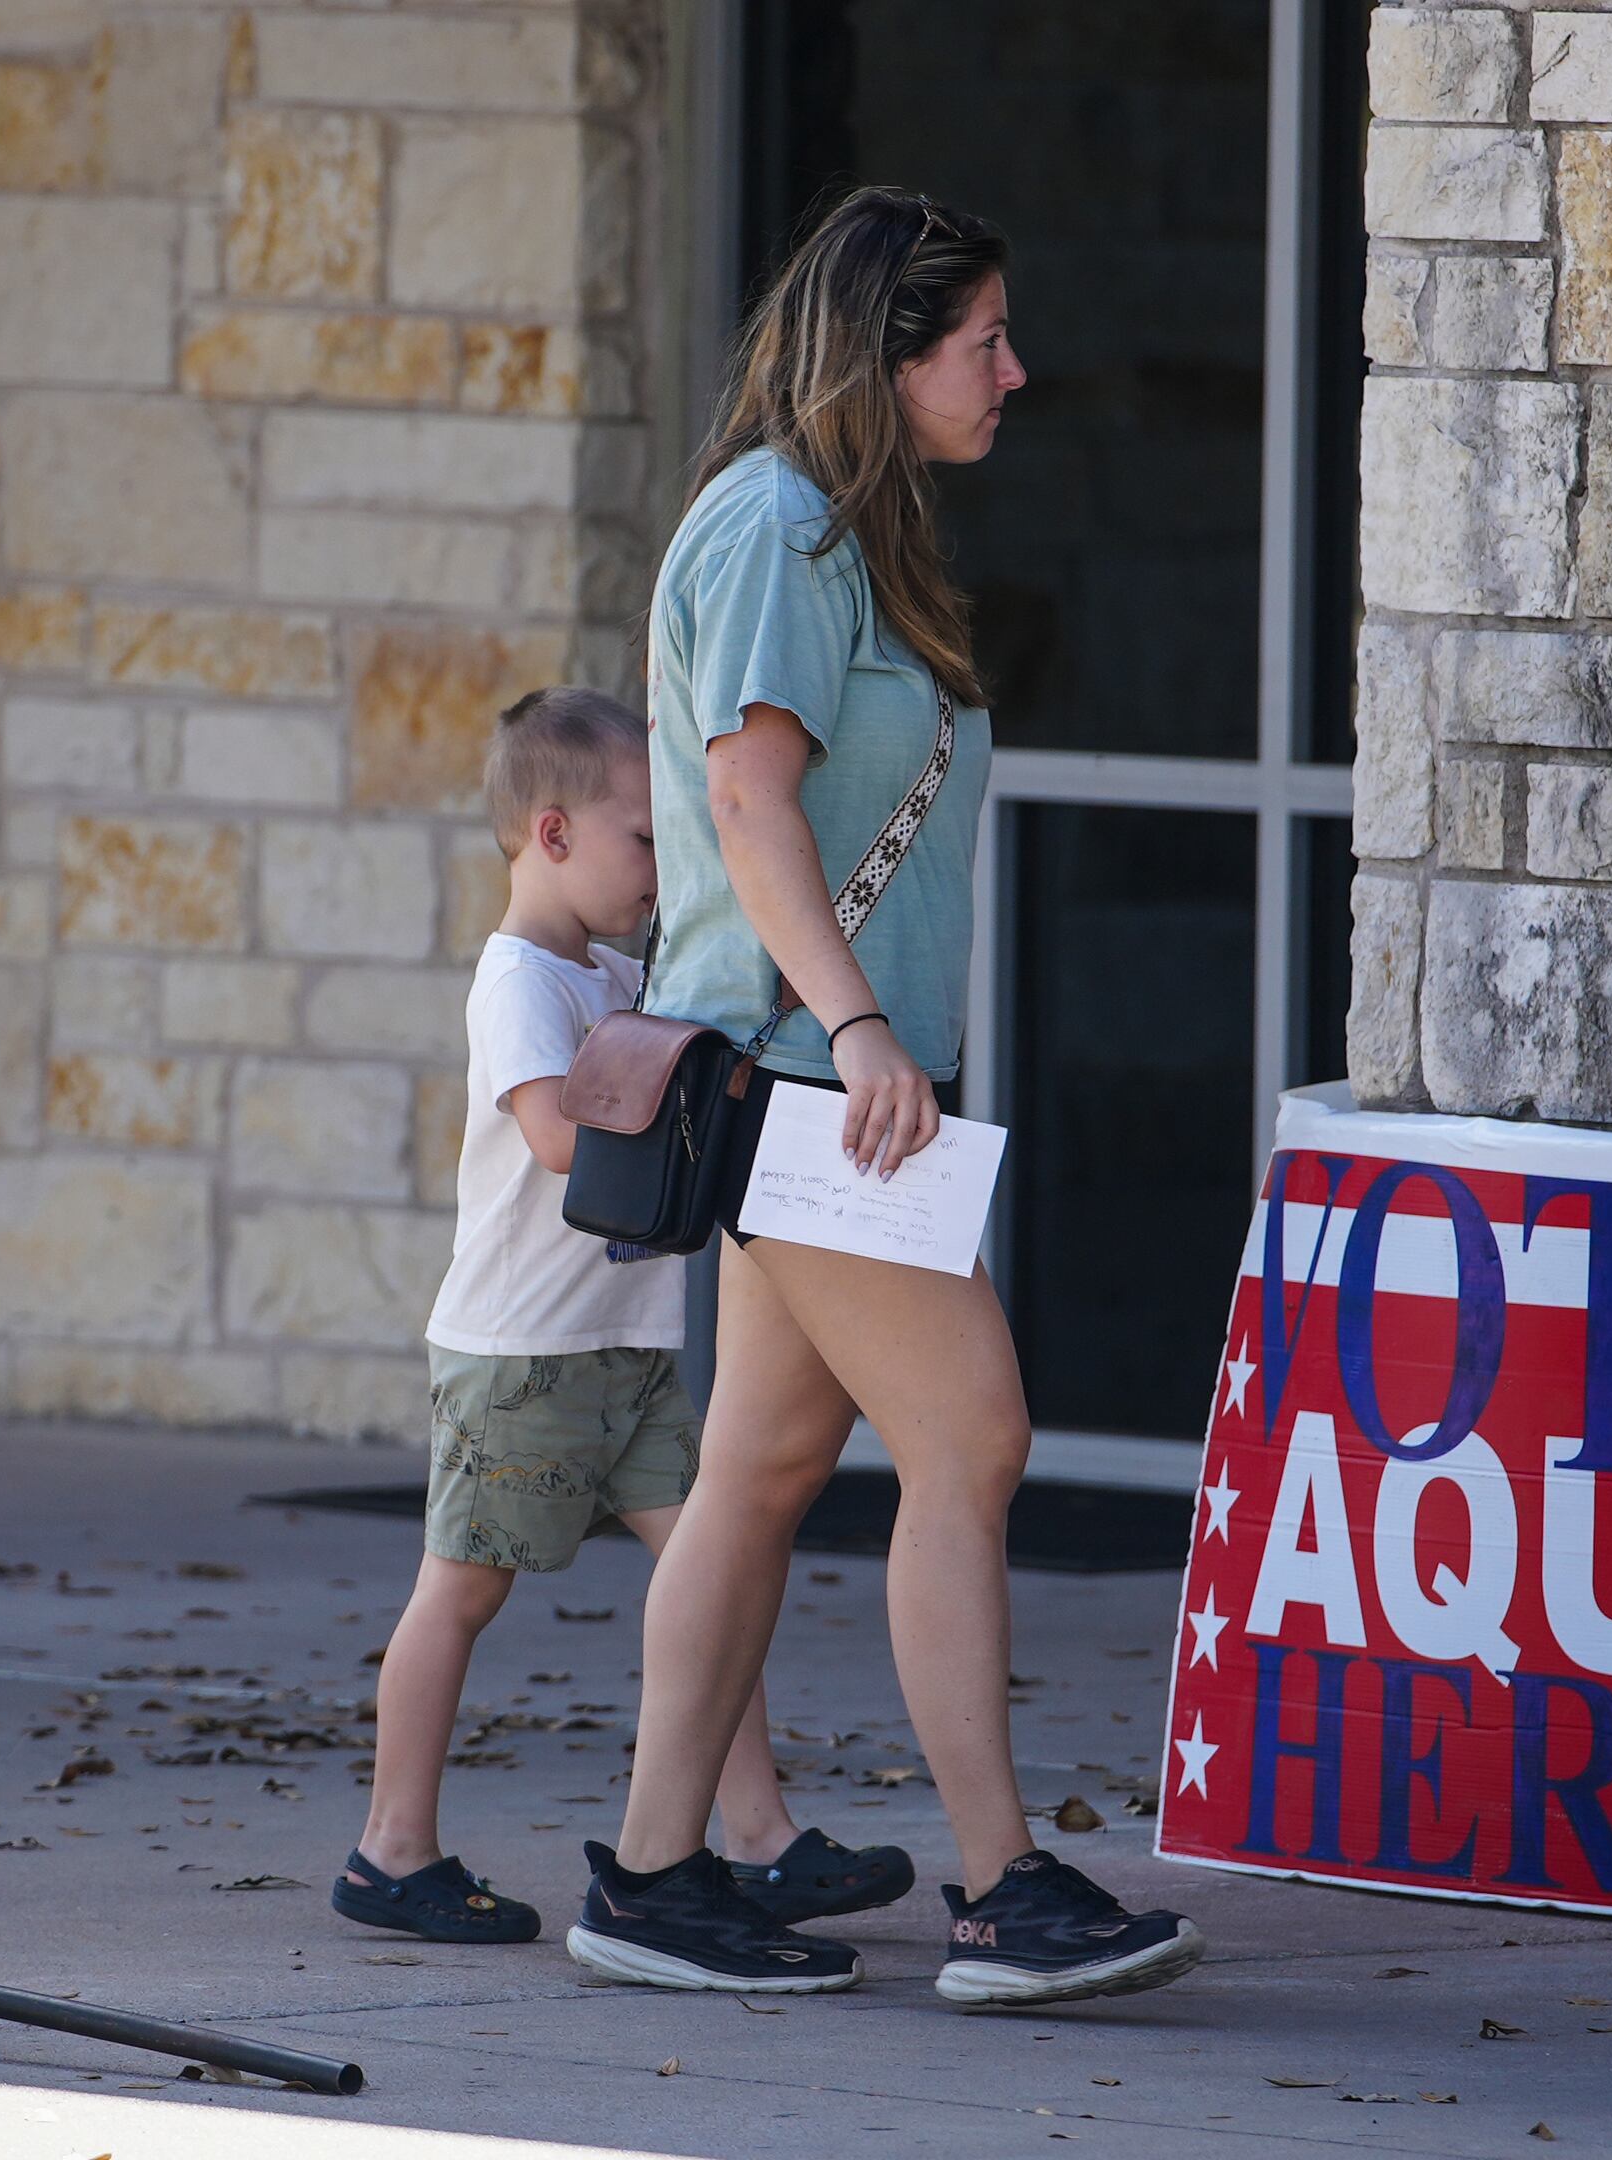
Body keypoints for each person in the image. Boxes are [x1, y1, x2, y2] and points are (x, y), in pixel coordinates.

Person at [562, 188, 1207, 2005]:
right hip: (803, 1085)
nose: (1018, 368)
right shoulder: (777, 525)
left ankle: (656, 1876)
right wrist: (858, 1036)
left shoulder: (846, 529)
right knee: (975, 1435)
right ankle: (1002, 1889)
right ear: (886, 349)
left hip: (820, 1085)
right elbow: (752, 810)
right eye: (984, 339)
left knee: (761, 1473)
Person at [334, 686, 911, 1948]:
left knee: (719, 1566)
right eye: (644, 843)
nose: (660, 872)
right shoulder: (521, 984)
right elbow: (553, 1136)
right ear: (551, 836)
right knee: (460, 1595)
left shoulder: (612, 971)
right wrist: (676, 1065)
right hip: (521, 1358)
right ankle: (391, 1848)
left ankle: (758, 1837)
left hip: (632, 1350)